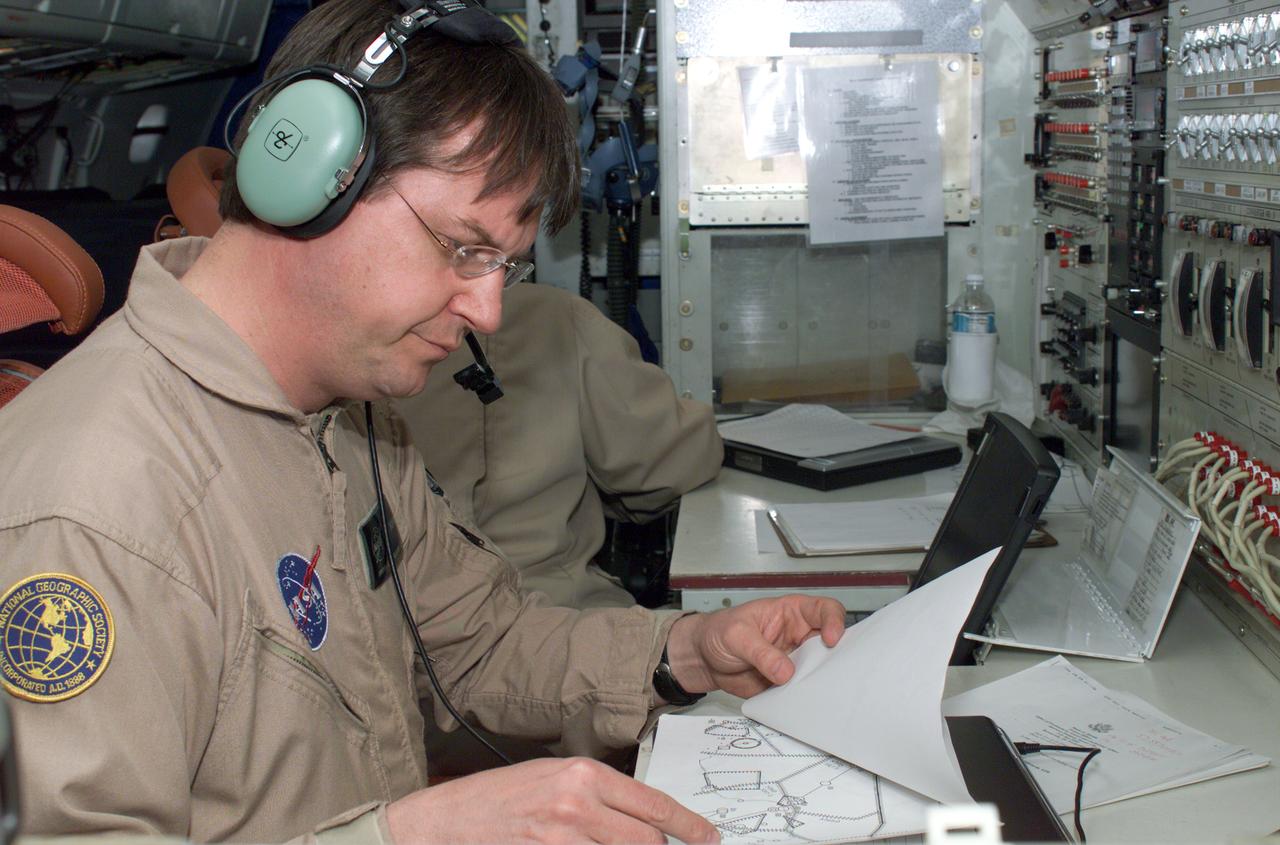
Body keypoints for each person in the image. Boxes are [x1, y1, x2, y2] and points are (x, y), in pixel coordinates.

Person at [0, 2, 845, 843]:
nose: (489, 311)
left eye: (504, 268)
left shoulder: (352, 415)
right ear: (311, 181)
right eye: (463, 248)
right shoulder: (92, 507)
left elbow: (478, 644)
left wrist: (687, 651)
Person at [396, 282, 723, 609]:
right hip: (557, 615)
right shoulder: (547, 315)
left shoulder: (362, 359)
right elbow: (670, 464)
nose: (487, 313)